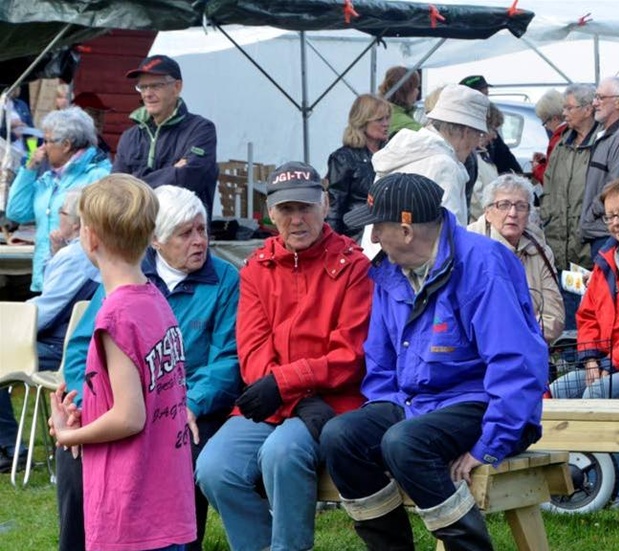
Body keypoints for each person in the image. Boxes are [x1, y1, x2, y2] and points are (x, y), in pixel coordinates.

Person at [323, 172, 547, 551]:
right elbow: (380, 365)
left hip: (484, 403)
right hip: (417, 405)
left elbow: (517, 364)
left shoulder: (482, 264)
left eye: (378, 227)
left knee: (404, 442)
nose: (373, 237)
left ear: (407, 229)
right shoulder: (389, 272)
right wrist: (381, 410)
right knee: (340, 437)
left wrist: (489, 444)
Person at [196, 162, 372, 551]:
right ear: (271, 213)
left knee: (282, 452)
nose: (297, 219)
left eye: (306, 207)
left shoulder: (353, 266)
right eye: (287, 209)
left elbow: (350, 357)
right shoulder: (257, 268)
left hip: (332, 402)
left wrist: (284, 384)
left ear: (325, 206)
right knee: (213, 469)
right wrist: (284, 388)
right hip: (272, 400)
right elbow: (252, 350)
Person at [56, 184, 242, 551]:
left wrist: (192, 401)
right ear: (154, 239)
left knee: (182, 444)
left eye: (202, 229)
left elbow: (229, 359)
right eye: (185, 232)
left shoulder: (219, 281)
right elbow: (82, 347)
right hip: (139, 406)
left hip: (186, 408)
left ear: (90, 238)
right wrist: (81, 404)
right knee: (76, 459)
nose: (199, 241)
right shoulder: (143, 288)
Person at [0, 189, 98, 474]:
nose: (57, 221)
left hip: (61, 346)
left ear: (77, 223)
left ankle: (10, 448)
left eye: (61, 214)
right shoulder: (75, 252)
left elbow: (43, 311)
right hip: (71, 343)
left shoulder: (75, 255)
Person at [551, 177, 619, 400]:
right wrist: (590, 359)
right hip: (606, 361)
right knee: (554, 392)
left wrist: (609, 363)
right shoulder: (604, 262)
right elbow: (587, 317)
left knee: (595, 394)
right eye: (610, 216)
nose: (616, 222)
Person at [6, 106, 111, 292]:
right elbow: (17, 212)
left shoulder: (98, 177)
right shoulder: (49, 180)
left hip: (79, 281)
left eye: (47, 141)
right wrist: (28, 169)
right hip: (44, 279)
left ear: (67, 144)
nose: (43, 147)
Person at [366, 83, 489, 241]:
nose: (476, 145)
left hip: (380, 256)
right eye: (478, 135)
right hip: (414, 261)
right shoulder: (445, 166)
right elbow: (450, 236)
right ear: (466, 132)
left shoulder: (404, 148)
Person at [113, 55, 219, 215]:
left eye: (156, 86)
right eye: (142, 87)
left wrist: (133, 183)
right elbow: (115, 188)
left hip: (184, 234)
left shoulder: (201, 130)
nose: (147, 94)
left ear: (177, 87)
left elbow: (188, 179)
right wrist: (172, 171)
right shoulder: (130, 137)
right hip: (136, 235)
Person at [467, 173, 563, 343]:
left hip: (526, 352)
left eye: (520, 206)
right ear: (487, 212)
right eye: (503, 205)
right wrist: (527, 324)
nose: (512, 213)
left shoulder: (540, 251)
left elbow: (554, 319)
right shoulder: (467, 247)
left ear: (529, 214)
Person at [541, 83, 598, 274]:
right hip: (557, 244)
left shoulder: (602, 142)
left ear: (588, 109)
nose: (563, 113)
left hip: (587, 246)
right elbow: (548, 183)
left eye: (569, 108)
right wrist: (547, 214)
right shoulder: (562, 143)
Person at [581, 76, 619, 259]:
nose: (594, 103)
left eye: (600, 97)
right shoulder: (607, 134)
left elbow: (617, 188)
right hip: (600, 231)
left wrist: (592, 213)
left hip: (607, 234)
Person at [326, 94, 391, 239]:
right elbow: (334, 206)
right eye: (380, 119)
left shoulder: (392, 153)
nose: (386, 123)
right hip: (357, 236)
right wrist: (331, 244)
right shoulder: (343, 158)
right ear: (362, 122)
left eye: (387, 118)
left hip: (388, 233)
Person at [460, 75, 523, 176]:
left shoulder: (491, 129)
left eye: (486, 95)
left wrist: (519, 175)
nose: (486, 100)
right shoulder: (462, 132)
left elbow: (506, 157)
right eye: (481, 96)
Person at [532, 89, 565, 184]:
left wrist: (536, 167)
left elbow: (549, 179)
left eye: (544, 122)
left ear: (554, 119)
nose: (545, 127)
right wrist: (546, 160)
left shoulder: (557, 140)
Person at [380, 66, 422, 137]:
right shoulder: (406, 123)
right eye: (415, 87)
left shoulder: (380, 110)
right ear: (406, 90)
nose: (417, 91)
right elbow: (427, 138)